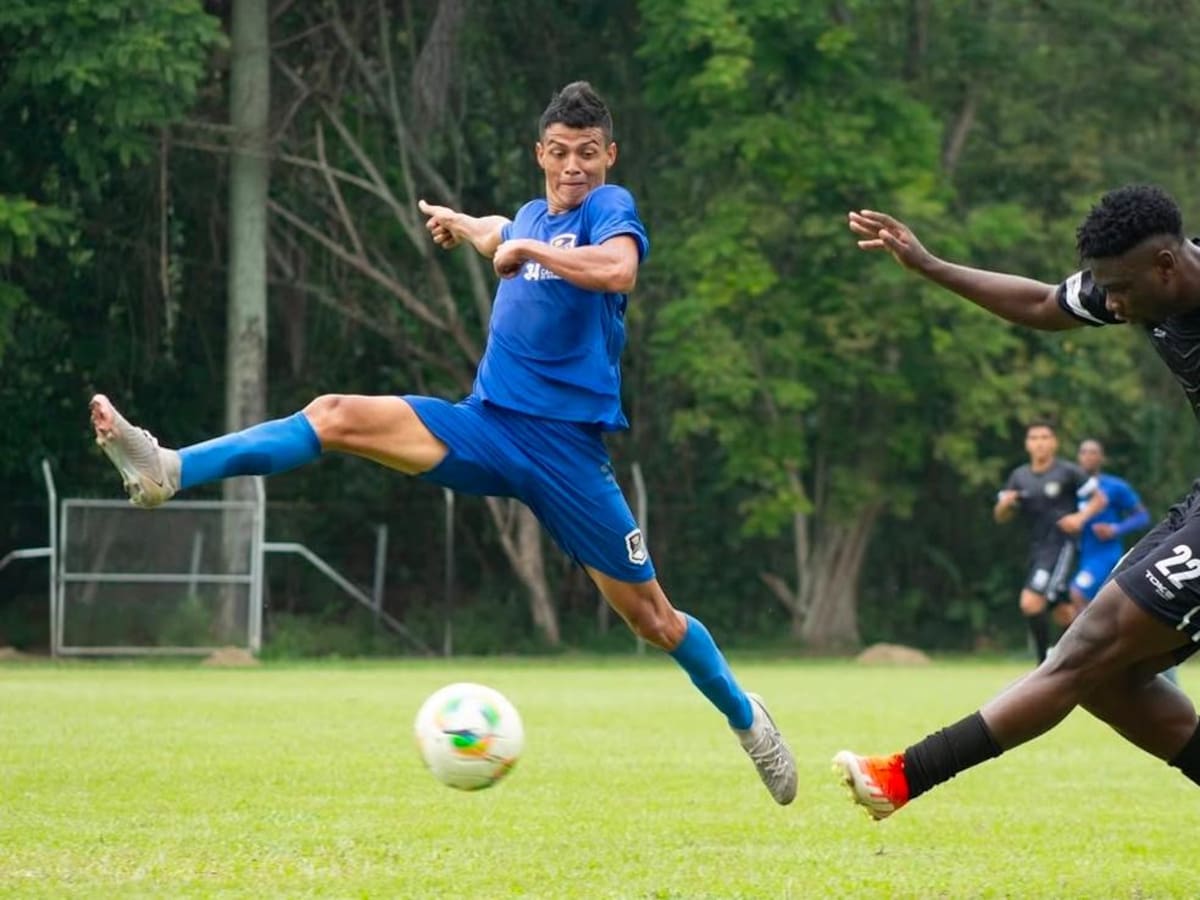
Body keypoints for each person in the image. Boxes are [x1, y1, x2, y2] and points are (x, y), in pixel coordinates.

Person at [88, 82, 797, 805]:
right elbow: (501, 231)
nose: (573, 166)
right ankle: (169, 468)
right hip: (485, 426)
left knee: (654, 621)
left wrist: (526, 249)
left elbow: (618, 269)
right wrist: (469, 225)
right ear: (540, 154)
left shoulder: (608, 209)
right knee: (334, 414)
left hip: (568, 457)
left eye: (588, 153)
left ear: (609, 155)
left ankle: (748, 721)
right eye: (559, 152)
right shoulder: (528, 217)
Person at [834, 185, 1200, 820]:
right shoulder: (1144, 281)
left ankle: (905, 775)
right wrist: (929, 264)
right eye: (1105, 288)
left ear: (1165, 265)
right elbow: (1042, 303)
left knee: (1089, 647)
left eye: (1120, 290)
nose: (1112, 304)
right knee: (1107, 679)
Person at [994, 421, 1101, 663]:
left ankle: (1044, 664)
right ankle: (1085, 657)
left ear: (1054, 443)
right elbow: (1001, 516)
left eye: (1045, 437)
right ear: (1027, 444)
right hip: (1037, 549)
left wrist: (1079, 517)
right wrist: (1005, 504)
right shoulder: (1019, 476)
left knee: (1030, 602)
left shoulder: (1067, 471)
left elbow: (1099, 499)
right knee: (1063, 612)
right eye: (1034, 438)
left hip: (1061, 546)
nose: (1039, 443)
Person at [1068, 438, 1150, 614]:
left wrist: (1115, 529)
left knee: (1078, 592)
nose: (1088, 456)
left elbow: (1142, 516)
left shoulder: (1115, 487)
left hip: (1105, 555)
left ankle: (1089, 632)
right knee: (1066, 608)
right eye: (1084, 452)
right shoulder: (1070, 488)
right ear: (1078, 457)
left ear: (1102, 458)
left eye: (1093, 452)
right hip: (1078, 556)